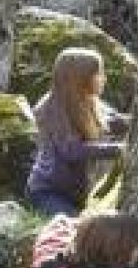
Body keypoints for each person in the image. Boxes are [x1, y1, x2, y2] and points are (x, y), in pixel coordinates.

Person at [26, 48, 128, 217]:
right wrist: (119, 149)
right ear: (81, 78)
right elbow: (71, 151)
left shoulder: (91, 102)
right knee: (75, 226)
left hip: (81, 193)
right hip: (48, 192)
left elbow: (114, 122)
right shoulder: (50, 108)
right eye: (99, 74)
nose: (104, 78)